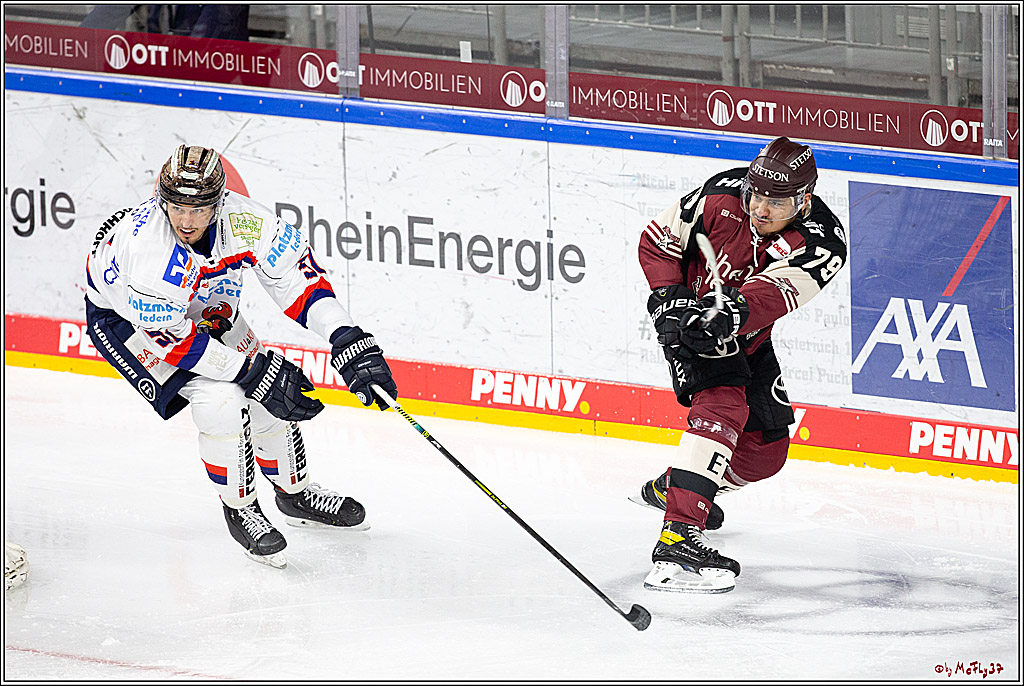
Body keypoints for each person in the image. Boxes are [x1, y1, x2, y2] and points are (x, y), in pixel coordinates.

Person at [85, 145, 398, 568]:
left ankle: (295, 493)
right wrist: (252, 370)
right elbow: (176, 343)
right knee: (222, 401)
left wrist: (346, 337)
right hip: (128, 319)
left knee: (270, 393)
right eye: (177, 207)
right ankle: (240, 507)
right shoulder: (148, 253)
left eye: (199, 208)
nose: (186, 220)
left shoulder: (246, 221)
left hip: (197, 297)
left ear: (220, 201)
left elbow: (296, 280)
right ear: (163, 200)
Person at [634, 136, 847, 593]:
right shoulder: (721, 194)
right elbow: (657, 243)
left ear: (803, 199)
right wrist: (669, 300)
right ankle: (679, 534)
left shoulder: (822, 241)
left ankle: (679, 487)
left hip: (746, 332)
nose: (760, 208)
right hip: (690, 320)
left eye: (776, 201)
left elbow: (777, 293)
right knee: (723, 406)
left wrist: (730, 311)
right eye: (757, 195)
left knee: (764, 453)